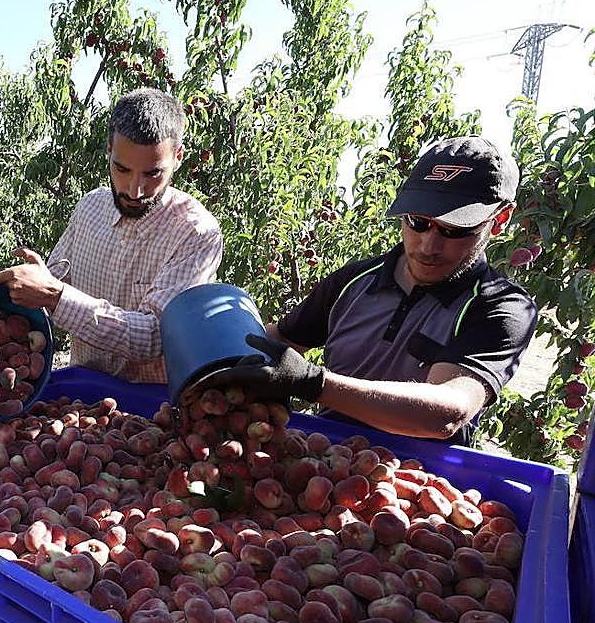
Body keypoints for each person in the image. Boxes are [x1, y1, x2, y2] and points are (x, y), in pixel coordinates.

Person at [220, 136, 537, 445]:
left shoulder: (501, 307)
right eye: (418, 222)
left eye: (455, 230)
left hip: (420, 479)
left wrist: (313, 382)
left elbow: (448, 412)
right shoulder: (354, 282)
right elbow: (283, 338)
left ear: (500, 219)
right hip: (328, 459)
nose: (429, 245)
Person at [0, 88, 223, 384]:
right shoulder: (90, 208)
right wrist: (29, 287)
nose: (134, 190)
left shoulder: (195, 233)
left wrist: (54, 295)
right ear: (109, 151)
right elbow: (57, 280)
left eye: (153, 174)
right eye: (122, 169)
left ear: (178, 157)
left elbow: (155, 337)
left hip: (154, 409)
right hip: (83, 398)